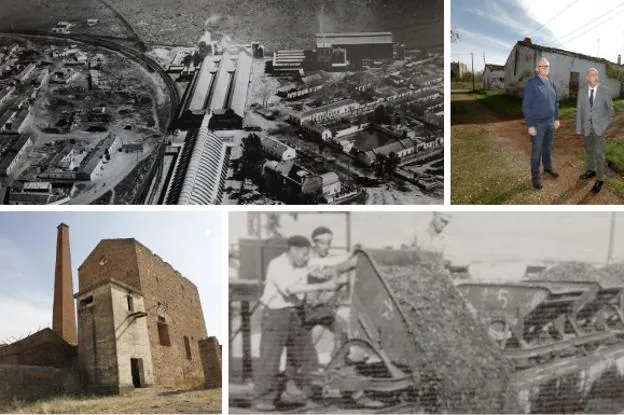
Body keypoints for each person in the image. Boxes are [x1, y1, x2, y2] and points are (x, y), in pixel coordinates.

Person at [253, 235, 339, 412]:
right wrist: (323, 286)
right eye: (304, 254)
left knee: (308, 357)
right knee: (270, 359)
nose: (306, 258)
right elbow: (291, 289)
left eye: (308, 255)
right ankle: (263, 399)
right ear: (294, 250)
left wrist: (351, 257)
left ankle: (309, 396)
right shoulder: (277, 265)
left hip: (296, 315)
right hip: (276, 314)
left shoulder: (303, 263)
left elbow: (327, 267)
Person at [521, 57, 561, 190]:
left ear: (549, 68)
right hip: (537, 124)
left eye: (547, 66)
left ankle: (548, 169)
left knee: (547, 148)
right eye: (541, 66)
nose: (544, 68)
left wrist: (556, 118)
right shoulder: (531, 84)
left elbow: (556, 103)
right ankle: (535, 176)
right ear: (537, 68)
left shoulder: (552, 84)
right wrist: (530, 125)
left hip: (550, 123)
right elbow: (526, 106)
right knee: (536, 151)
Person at [576, 67, 614, 194]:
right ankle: (591, 170)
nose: (595, 77)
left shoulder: (605, 91)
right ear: (587, 77)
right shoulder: (581, 92)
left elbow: (610, 111)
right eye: (592, 75)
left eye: (596, 75)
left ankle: (600, 179)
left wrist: (604, 125)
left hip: (599, 128)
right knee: (589, 150)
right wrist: (578, 127)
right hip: (587, 128)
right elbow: (579, 110)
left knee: (599, 154)